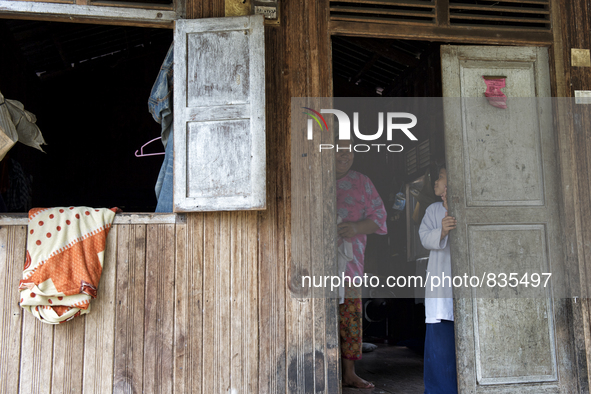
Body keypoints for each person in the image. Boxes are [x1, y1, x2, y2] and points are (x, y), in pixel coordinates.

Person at [335, 140, 387, 389]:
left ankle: (349, 373)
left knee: (350, 317)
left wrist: (355, 227)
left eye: (349, 150)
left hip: (350, 265)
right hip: (313, 264)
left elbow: (379, 218)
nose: (344, 155)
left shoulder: (362, 182)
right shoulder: (312, 177)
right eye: (338, 149)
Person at [418, 165, 458, 394]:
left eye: (441, 177)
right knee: (440, 349)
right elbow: (424, 238)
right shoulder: (433, 210)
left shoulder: (465, 208)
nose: (436, 181)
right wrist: (442, 231)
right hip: (441, 291)